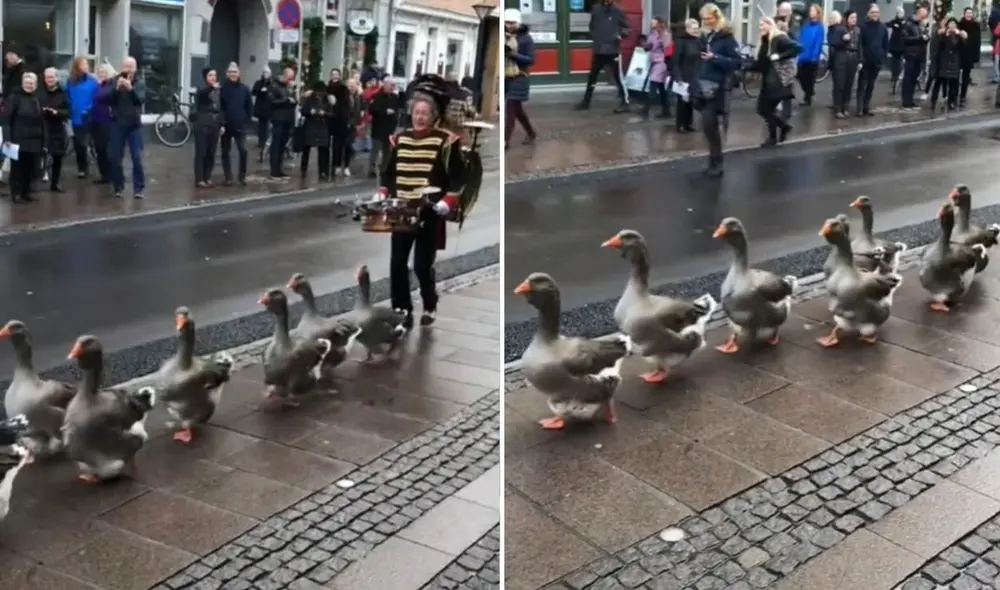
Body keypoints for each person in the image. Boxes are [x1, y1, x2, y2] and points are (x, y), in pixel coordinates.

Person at [377, 93, 467, 328]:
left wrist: (448, 200)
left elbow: (458, 176)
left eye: (425, 113)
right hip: (402, 210)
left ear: (433, 116)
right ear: (411, 114)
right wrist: (384, 191)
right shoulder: (400, 139)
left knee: (421, 265)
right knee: (397, 263)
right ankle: (402, 310)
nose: (420, 117)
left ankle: (429, 302)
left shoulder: (446, 141)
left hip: (429, 211)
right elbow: (388, 172)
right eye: (417, 112)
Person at [695, 3, 740, 178]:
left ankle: (717, 163)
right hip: (704, 85)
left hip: (718, 88)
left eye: (708, 19)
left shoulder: (727, 38)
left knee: (711, 126)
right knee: (707, 128)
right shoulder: (708, 36)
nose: (705, 22)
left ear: (716, 17)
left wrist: (716, 58)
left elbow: (736, 62)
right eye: (703, 19)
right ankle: (713, 162)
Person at [576, 0, 630, 113]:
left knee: (618, 77)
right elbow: (592, 25)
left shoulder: (618, 10)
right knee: (592, 77)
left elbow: (627, 27)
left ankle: (625, 102)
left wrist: (620, 36)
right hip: (599, 49)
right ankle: (586, 101)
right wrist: (595, 36)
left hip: (612, 50)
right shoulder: (596, 9)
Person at [753, 17, 799, 147]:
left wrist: (779, 56)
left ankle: (773, 137)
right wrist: (745, 66)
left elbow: (797, 48)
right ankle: (783, 127)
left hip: (777, 81)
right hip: (767, 80)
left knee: (766, 109)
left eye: (763, 25)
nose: (760, 27)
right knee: (763, 110)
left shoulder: (778, 38)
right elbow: (762, 63)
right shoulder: (765, 40)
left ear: (770, 25)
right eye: (760, 25)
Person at [108, 57, 147, 199]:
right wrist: (117, 89)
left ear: (135, 68)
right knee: (115, 158)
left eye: (131, 66)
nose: (128, 69)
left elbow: (140, 100)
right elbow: (108, 99)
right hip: (117, 124)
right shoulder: (114, 80)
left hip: (134, 125)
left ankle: (138, 188)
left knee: (137, 157)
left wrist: (130, 89)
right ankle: (118, 186)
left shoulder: (139, 82)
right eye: (126, 66)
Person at [2, 72, 44, 203]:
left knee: (31, 168)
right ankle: (16, 194)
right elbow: (6, 119)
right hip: (18, 139)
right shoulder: (14, 97)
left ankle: (26, 192)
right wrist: (7, 138)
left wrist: (43, 140)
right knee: (17, 168)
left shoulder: (37, 98)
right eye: (26, 83)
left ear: (35, 85)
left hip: (35, 139)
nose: (29, 85)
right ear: (22, 83)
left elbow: (41, 120)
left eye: (31, 83)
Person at [504, 8, 536, 148]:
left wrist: (512, 54)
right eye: (507, 22)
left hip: (520, 76)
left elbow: (530, 60)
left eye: (512, 23)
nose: (509, 25)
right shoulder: (504, 36)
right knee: (517, 110)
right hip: (507, 76)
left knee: (510, 109)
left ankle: (505, 141)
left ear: (518, 23)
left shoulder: (526, 38)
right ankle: (531, 133)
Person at [220, 62, 252, 186]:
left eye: (235, 72)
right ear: (227, 74)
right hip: (226, 125)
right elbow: (220, 106)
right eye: (231, 72)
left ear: (239, 74)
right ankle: (228, 177)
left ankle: (242, 176)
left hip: (240, 125)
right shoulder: (222, 88)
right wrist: (221, 122)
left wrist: (246, 121)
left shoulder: (244, 89)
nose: (233, 74)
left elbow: (249, 106)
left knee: (243, 150)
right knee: (225, 152)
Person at [65, 57, 98, 178]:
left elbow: (96, 97)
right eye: (83, 64)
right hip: (76, 116)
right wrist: (71, 107)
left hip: (89, 116)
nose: (86, 66)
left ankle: (90, 165)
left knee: (86, 142)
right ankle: (82, 167)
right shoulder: (71, 81)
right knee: (79, 144)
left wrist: (90, 108)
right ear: (77, 66)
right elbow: (67, 96)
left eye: (86, 64)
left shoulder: (92, 81)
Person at [38, 67, 70, 192]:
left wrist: (57, 112)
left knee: (57, 157)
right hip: (41, 127)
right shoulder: (39, 92)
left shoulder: (63, 93)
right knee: (37, 156)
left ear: (57, 78)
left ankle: (55, 184)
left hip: (56, 127)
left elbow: (68, 111)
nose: (49, 80)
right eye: (47, 77)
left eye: (52, 77)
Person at [192, 68, 222, 188]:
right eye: (210, 75)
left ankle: (207, 176)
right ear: (205, 77)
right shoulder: (202, 89)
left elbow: (221, 107)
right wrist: (212, 88)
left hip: (214, 123)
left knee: (211, 151)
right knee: (201, 151)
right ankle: (199, 178)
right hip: (202, 123)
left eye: (215, 75)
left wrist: (222, 123)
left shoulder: (219, 91)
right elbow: (202, 96)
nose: (213, 77)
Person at [367, 75, 401, 181]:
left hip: (389, 129)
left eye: (394, 85)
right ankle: (372, 169)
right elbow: (371, 109)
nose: (392, 87)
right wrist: (384, 111)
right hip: (378, 127)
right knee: (375, 150)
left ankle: (384, 169)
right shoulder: (377, 96)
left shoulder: (395, 97)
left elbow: (398, 109)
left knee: (387, 151)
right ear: (385, 85)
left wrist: (395, 118)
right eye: (391, 85)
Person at [857, 5, 888, 117]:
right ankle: (859, 109)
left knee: (871, 85)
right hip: (865, 60)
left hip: (876, 61)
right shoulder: (863, 27)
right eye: (873, 12)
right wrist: (860, 59)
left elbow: (885, 44)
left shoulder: (883, 27)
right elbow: (859, 44)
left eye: (877, 12)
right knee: (862, 85)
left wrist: (882, 57)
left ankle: (866, 107)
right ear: (869, 14)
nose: (875, 14)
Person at [828, 10, 860, 118]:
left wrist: (861, 60)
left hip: (853, 58)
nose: (854, 20)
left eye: (855, 18)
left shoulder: (857, 30)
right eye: (851, 17)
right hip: (841, 57)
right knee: (839, 84)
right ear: (846, 19)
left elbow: (860, 46)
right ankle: (838, 108)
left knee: (849, 84)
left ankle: (845, 107)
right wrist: (843, 40)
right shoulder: (840, 28)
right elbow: (833, 42)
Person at [930, 17, 966, 111]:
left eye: (954, 24)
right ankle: (933, 101)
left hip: (954, 62)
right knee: (938, 82)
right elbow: (937, 45)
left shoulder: (959, 35)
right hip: (943, 62)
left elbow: (963, 47)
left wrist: (960, 35)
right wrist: (944, 35)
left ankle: (951, 101)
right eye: (950, 24)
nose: (952, 26)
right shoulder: (942, 33)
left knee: (953, 84)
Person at [298, 81, 332, 181]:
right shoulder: (309, 99)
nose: (319, 94)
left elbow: (332, 113)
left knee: (323, 151)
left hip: (322, 126)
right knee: (306, 149)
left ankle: (323, 171)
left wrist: (324, 113)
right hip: (311, 126)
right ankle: (303, 170)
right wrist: (309, 112)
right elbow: (303, 111)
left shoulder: (327, 100)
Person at [268, 67, 297, 180]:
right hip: (278, 119)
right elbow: (272, 102)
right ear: (285, 76)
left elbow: (294, 100)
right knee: (276, 145)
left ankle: (279, 170)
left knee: (282, 146)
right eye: (289, 78)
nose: (291, 80)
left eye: (292, 78)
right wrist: (286, 101)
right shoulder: (275, 86)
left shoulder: (289, 88)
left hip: (287, 120)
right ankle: (273, 171)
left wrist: (293, 100)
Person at [673, 18, 701, 133]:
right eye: (693, 28)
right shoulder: (681, 42)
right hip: (683, 76)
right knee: (682, 102)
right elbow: (675, 61)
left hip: (694, 75)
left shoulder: (698, 41)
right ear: (687, 29)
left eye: (697, 28)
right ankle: (680, 125)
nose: (696, 31)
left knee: (691, 101)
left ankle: (688, 124)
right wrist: (678, 77)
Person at [901, 4, 931, 109]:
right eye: (922, 16)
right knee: (908, 79)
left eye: (925, 16)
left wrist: (926, 37)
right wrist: (919, 38)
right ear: (918, 14)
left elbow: (925, 38)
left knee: (914, 79)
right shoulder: (908, 24)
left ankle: (911, 100)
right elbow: (905, 39)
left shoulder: (921, 25)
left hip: (919, 56)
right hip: (910, 55)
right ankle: (906, 101)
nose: (924, 19)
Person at [641, 16, 671, 119]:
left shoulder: (664, 34)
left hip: (661, 63)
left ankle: (645, 109)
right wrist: (646, 45)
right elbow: (650, 45)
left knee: (653, 84)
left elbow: (668, 48)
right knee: (661, 88)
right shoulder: (652, 34)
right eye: (651, 23)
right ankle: (666, 110)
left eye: (653, 23)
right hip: (654, 62)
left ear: (659, 23)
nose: (651, 24)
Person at [90, 64, 115, 185]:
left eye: (104, 72)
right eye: (99, 72)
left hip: (107, 122)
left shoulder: (111, 86)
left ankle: (111, 175)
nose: (101, 74)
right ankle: (104, 175)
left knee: (106, 149)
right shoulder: (98, 86)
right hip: (95, 120)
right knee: (99, 149)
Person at [797, 5, 825, 106]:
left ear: (817, 13)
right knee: (800, 76)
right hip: (803, 55)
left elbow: (818, 42)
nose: (811, 12)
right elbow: (801, 39)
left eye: (813, 11)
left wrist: (814, 56)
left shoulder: (820, 27)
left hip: (812, 57)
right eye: (810, 11)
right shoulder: (806, 25)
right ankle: (809, 92)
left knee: (809, 79)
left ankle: (807, 98)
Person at [326, 68, 350, 177]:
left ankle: (337, 164)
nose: (335, 76)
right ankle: (328, 164)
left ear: (339, 76)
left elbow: (345, 105)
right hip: (328, 118)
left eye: (337, 74)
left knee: (338, 144)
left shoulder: (343, 89)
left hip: (340, 119)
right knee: (327, 144)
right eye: (333, 74)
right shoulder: (327, 88)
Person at [337, 78, 363, 177]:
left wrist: (357, 122)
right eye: (349, 85)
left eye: (353, 85)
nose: (351, 87)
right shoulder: (343, 96)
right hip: (342, 124)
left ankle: (347, 166)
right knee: (340, 146)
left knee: (348, 146)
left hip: (352, 125)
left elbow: (359, 110)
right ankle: (338, 165)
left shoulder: (358, 97)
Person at [958, 7, 981, 105]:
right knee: (955, 75)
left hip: (969, 55)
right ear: (964, 14)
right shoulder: (959, 24)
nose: (969, 15)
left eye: (970, 13)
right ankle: (953, 95)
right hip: (959, 54)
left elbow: (977, 42)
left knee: (966, 77)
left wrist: (976, 57)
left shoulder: (976, 25)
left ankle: (963, 96)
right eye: (967, 13)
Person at [251, 68, 272, 160]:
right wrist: (260, 90)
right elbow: (254, 92)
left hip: (268, 107)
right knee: (261, 124)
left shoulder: (271, 83)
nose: (266, 74)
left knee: (266, 124)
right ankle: (261, 140)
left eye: (267, 73)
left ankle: (265, 141)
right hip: (260, 106)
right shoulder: (258, 82)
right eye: (264, 73)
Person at [888, 7, 907, 94]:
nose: (900, 15)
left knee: (900, 62)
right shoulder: (894, 21)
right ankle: (894, 74)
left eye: (901, 13)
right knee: (894, 61)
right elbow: (887, 24)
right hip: (894, 45)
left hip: (902, 45)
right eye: (899, 13)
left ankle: (899, 75)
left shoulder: (905, 22)